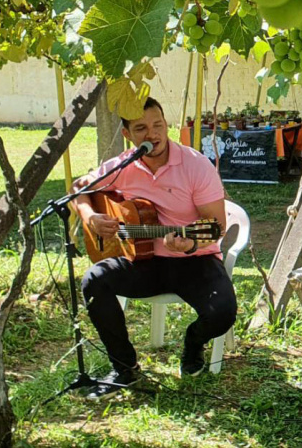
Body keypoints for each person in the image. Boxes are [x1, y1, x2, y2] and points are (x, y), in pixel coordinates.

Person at [73, 98, 236, 399]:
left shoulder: (195, 165)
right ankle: (125, 367)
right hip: (143, 261)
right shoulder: (121, 166)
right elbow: (79, 190)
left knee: (222, 313)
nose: (153, 134)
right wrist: (92, 218)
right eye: (141, 128)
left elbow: (217, 226)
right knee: (94, 280)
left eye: (158, 125)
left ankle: (193, 342)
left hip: (194, 259)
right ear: (128, 134)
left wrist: (190, 243)